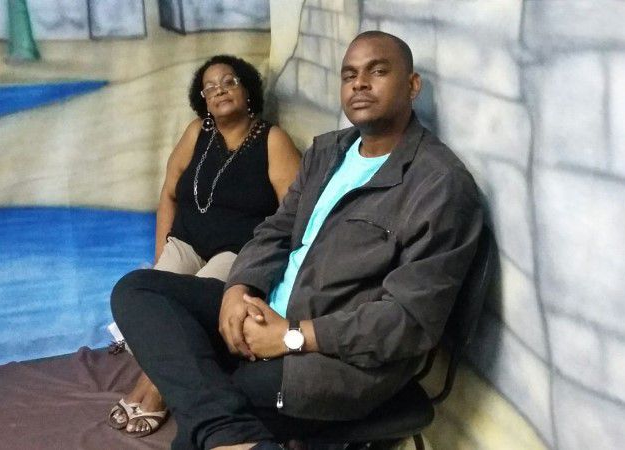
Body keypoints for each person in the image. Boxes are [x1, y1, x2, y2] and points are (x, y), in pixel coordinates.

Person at [111, 31, 483, 450]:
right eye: (349, 75)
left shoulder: (440, 186)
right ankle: (230, 437)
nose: (360, 84)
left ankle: (220, 432)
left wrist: (292, 335)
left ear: (412, 86)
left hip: (330, 359)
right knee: (138, 290)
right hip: (266, 313)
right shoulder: (328, 153)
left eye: (377, 71)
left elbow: (409, 322)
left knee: (201, 408)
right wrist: (238, 290)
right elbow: (275, 229)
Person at [107, 55, 301, 438]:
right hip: (185, 242)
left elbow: (295, 214)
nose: (219, 90)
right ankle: (160, 378)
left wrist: (269, 272)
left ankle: (154, 387)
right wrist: (163, 253)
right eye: (209, 87)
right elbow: (168, 193)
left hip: (237, 251)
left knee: (186, 312)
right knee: (147, 298)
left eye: (229, 82)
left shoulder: (273, 140)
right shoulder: (197, 132)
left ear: (247, 91)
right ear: (203, 100)